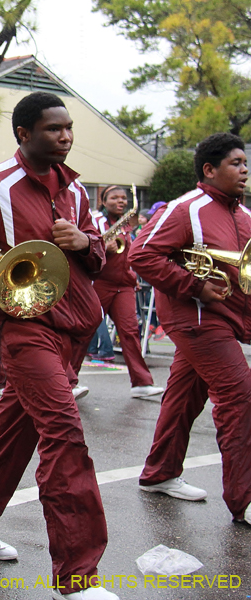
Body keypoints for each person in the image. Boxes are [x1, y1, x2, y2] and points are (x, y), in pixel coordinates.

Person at [0, 91, 116, 600]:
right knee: (63, 432)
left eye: (69, 128)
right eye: (55, 129)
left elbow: (94, 256)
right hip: (23, 328)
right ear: (23, 134)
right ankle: (79, 577)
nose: (66, 136)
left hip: (72, 328)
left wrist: (86, 243)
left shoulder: (76, 191)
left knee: (16, 433)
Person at [130, 132, 251, 516]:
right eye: (236, 163)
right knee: (240, 396)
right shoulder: (185, 208)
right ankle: (244, 499)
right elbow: (142, 254)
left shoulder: (245, 215)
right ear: (209, 170)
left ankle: (159, 473)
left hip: (229, 317)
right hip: (196, 317)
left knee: (185, 396)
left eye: (245, 162)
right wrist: (195, 286)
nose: (245, 169)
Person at [74, 185, 164, 398]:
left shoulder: (126, 225)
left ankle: (141, 383)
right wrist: (103, 248)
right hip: (100, 282)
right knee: (86, 330)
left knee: (130, 332)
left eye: (123, 198)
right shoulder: (95, 220)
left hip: (124, 285)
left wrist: (133, 277)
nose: (120, 201)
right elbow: (83, 248)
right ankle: (67, 381)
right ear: (103, 201)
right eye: (114, 198)